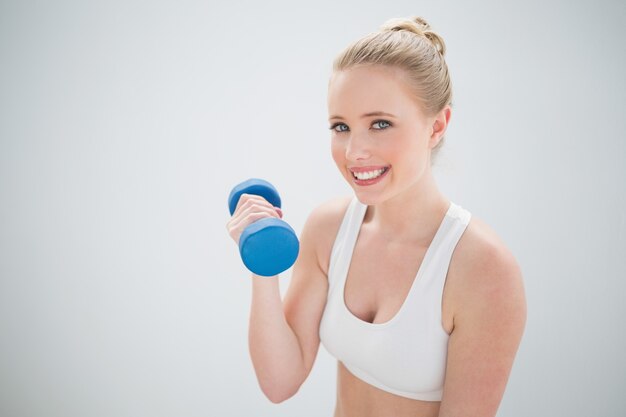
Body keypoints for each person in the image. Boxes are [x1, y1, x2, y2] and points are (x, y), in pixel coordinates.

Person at [226, 15, 527, 417]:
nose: (354, 151)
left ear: (437, 126)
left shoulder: (483, 269)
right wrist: (263, 268)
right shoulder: (328, 229)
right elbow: (281, 382)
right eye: (341, 126)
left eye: (380, 124)